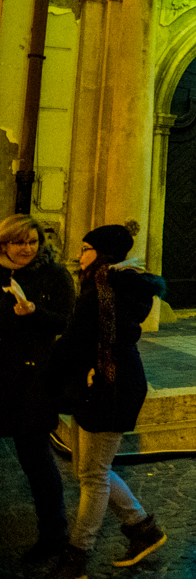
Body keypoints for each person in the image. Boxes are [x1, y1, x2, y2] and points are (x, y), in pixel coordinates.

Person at [49, 224, 167, 579]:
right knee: (87, 469)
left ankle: (77, 554)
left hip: (112, 385)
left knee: (93, 475)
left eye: (86, 248)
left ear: (104, 254)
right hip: (108, 380)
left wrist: (46, 375)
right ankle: (142, 528)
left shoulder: (102, 292)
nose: (79, 254)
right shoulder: (113, 285)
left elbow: (73, 342)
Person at [1, 215, 76, 569]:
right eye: (18, 242)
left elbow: (65, 322)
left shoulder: (54, 274)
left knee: (36, 460)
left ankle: (53, 535)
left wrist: (33, 312)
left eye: (32, 241)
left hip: (33, 380)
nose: (26, 248)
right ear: (4, 244)